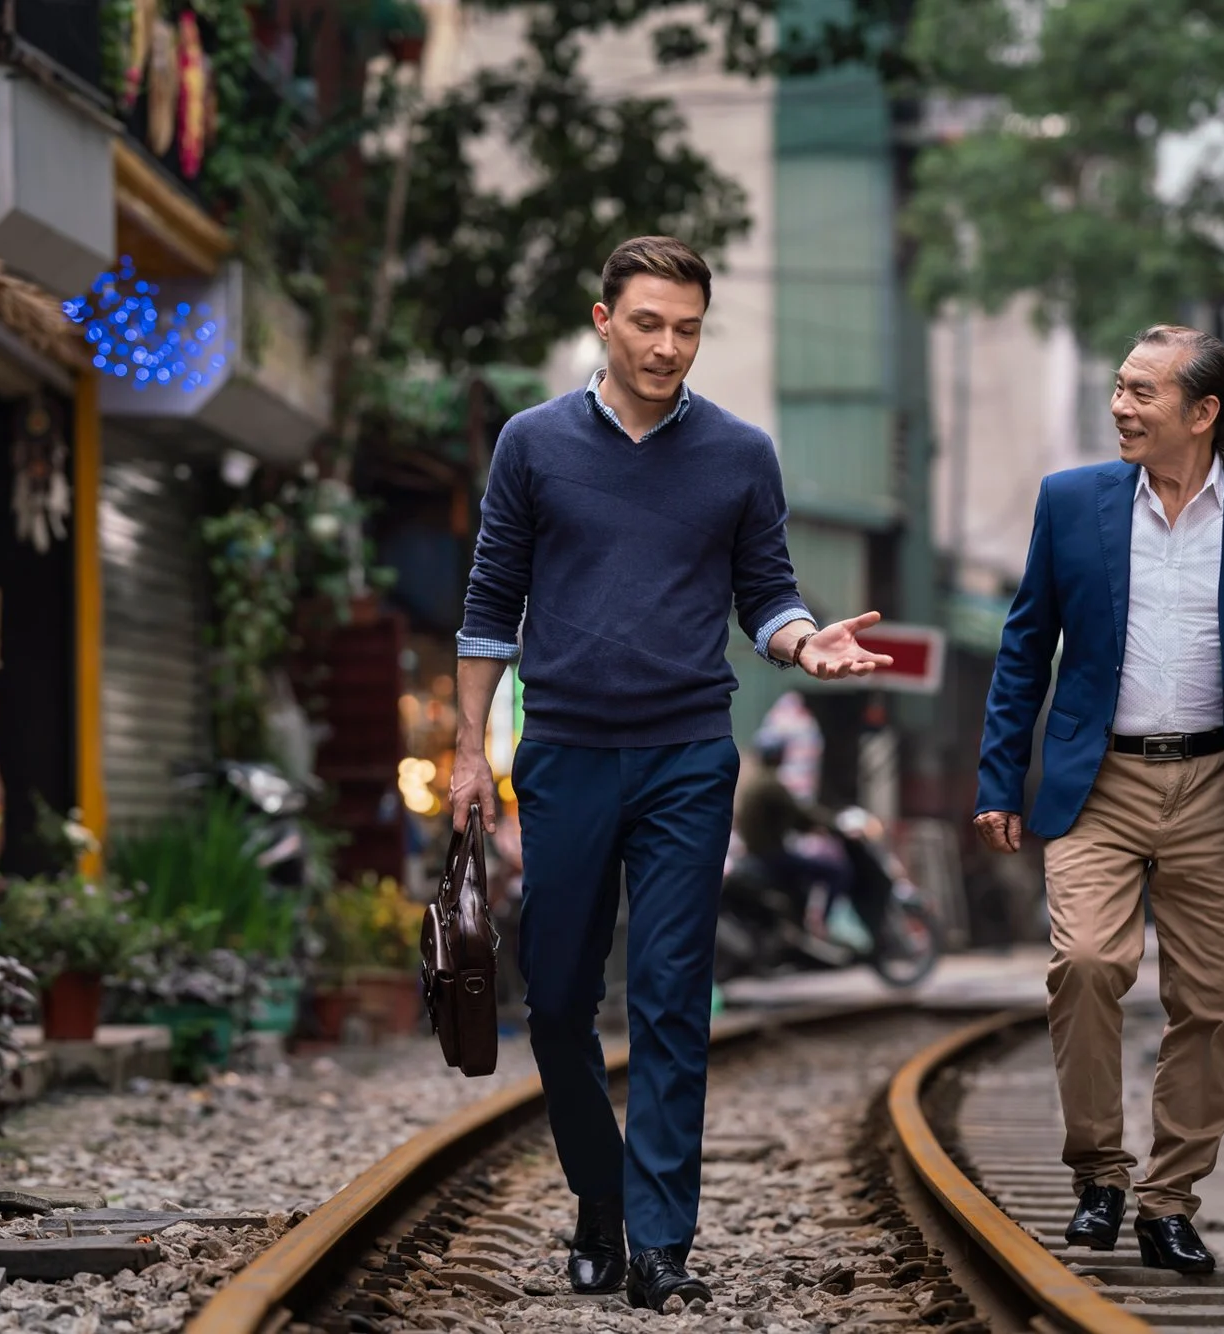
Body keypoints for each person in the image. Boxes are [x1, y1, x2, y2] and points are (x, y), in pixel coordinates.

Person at [448, 236, 893, 1313]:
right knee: (554, 995)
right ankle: (598, 1199)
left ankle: (658, 1240)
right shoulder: (532, 444)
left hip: (690, 752)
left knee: (667, 1001)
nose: (666, 345)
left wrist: (801, 644)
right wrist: (470, 746)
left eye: (686, 327)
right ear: (603, 319)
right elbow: (488, 599)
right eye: (647, 322)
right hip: (560, 752)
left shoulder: (739, 453)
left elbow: (768, 592)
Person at [972, 325, 1224, 1276]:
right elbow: (1026, 647)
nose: (1120, 406)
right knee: (1087, 965)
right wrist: (998, 777)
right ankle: (1101, 1174)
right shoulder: (1072, 505)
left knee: (1207, 1003)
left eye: (1142, 392)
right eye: (1117, 387)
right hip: (1097, 780)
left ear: (1203, 412)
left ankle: (1168, 1200)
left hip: (1218, 786)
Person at [736, 737, 852, 924]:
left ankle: (799, 923)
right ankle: (822, 925)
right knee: (836, 871)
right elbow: (801, 813)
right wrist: (837, 826)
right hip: (769, 856)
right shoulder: (771, 785)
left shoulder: (756, 782)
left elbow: (794, 819)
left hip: (758, 853)